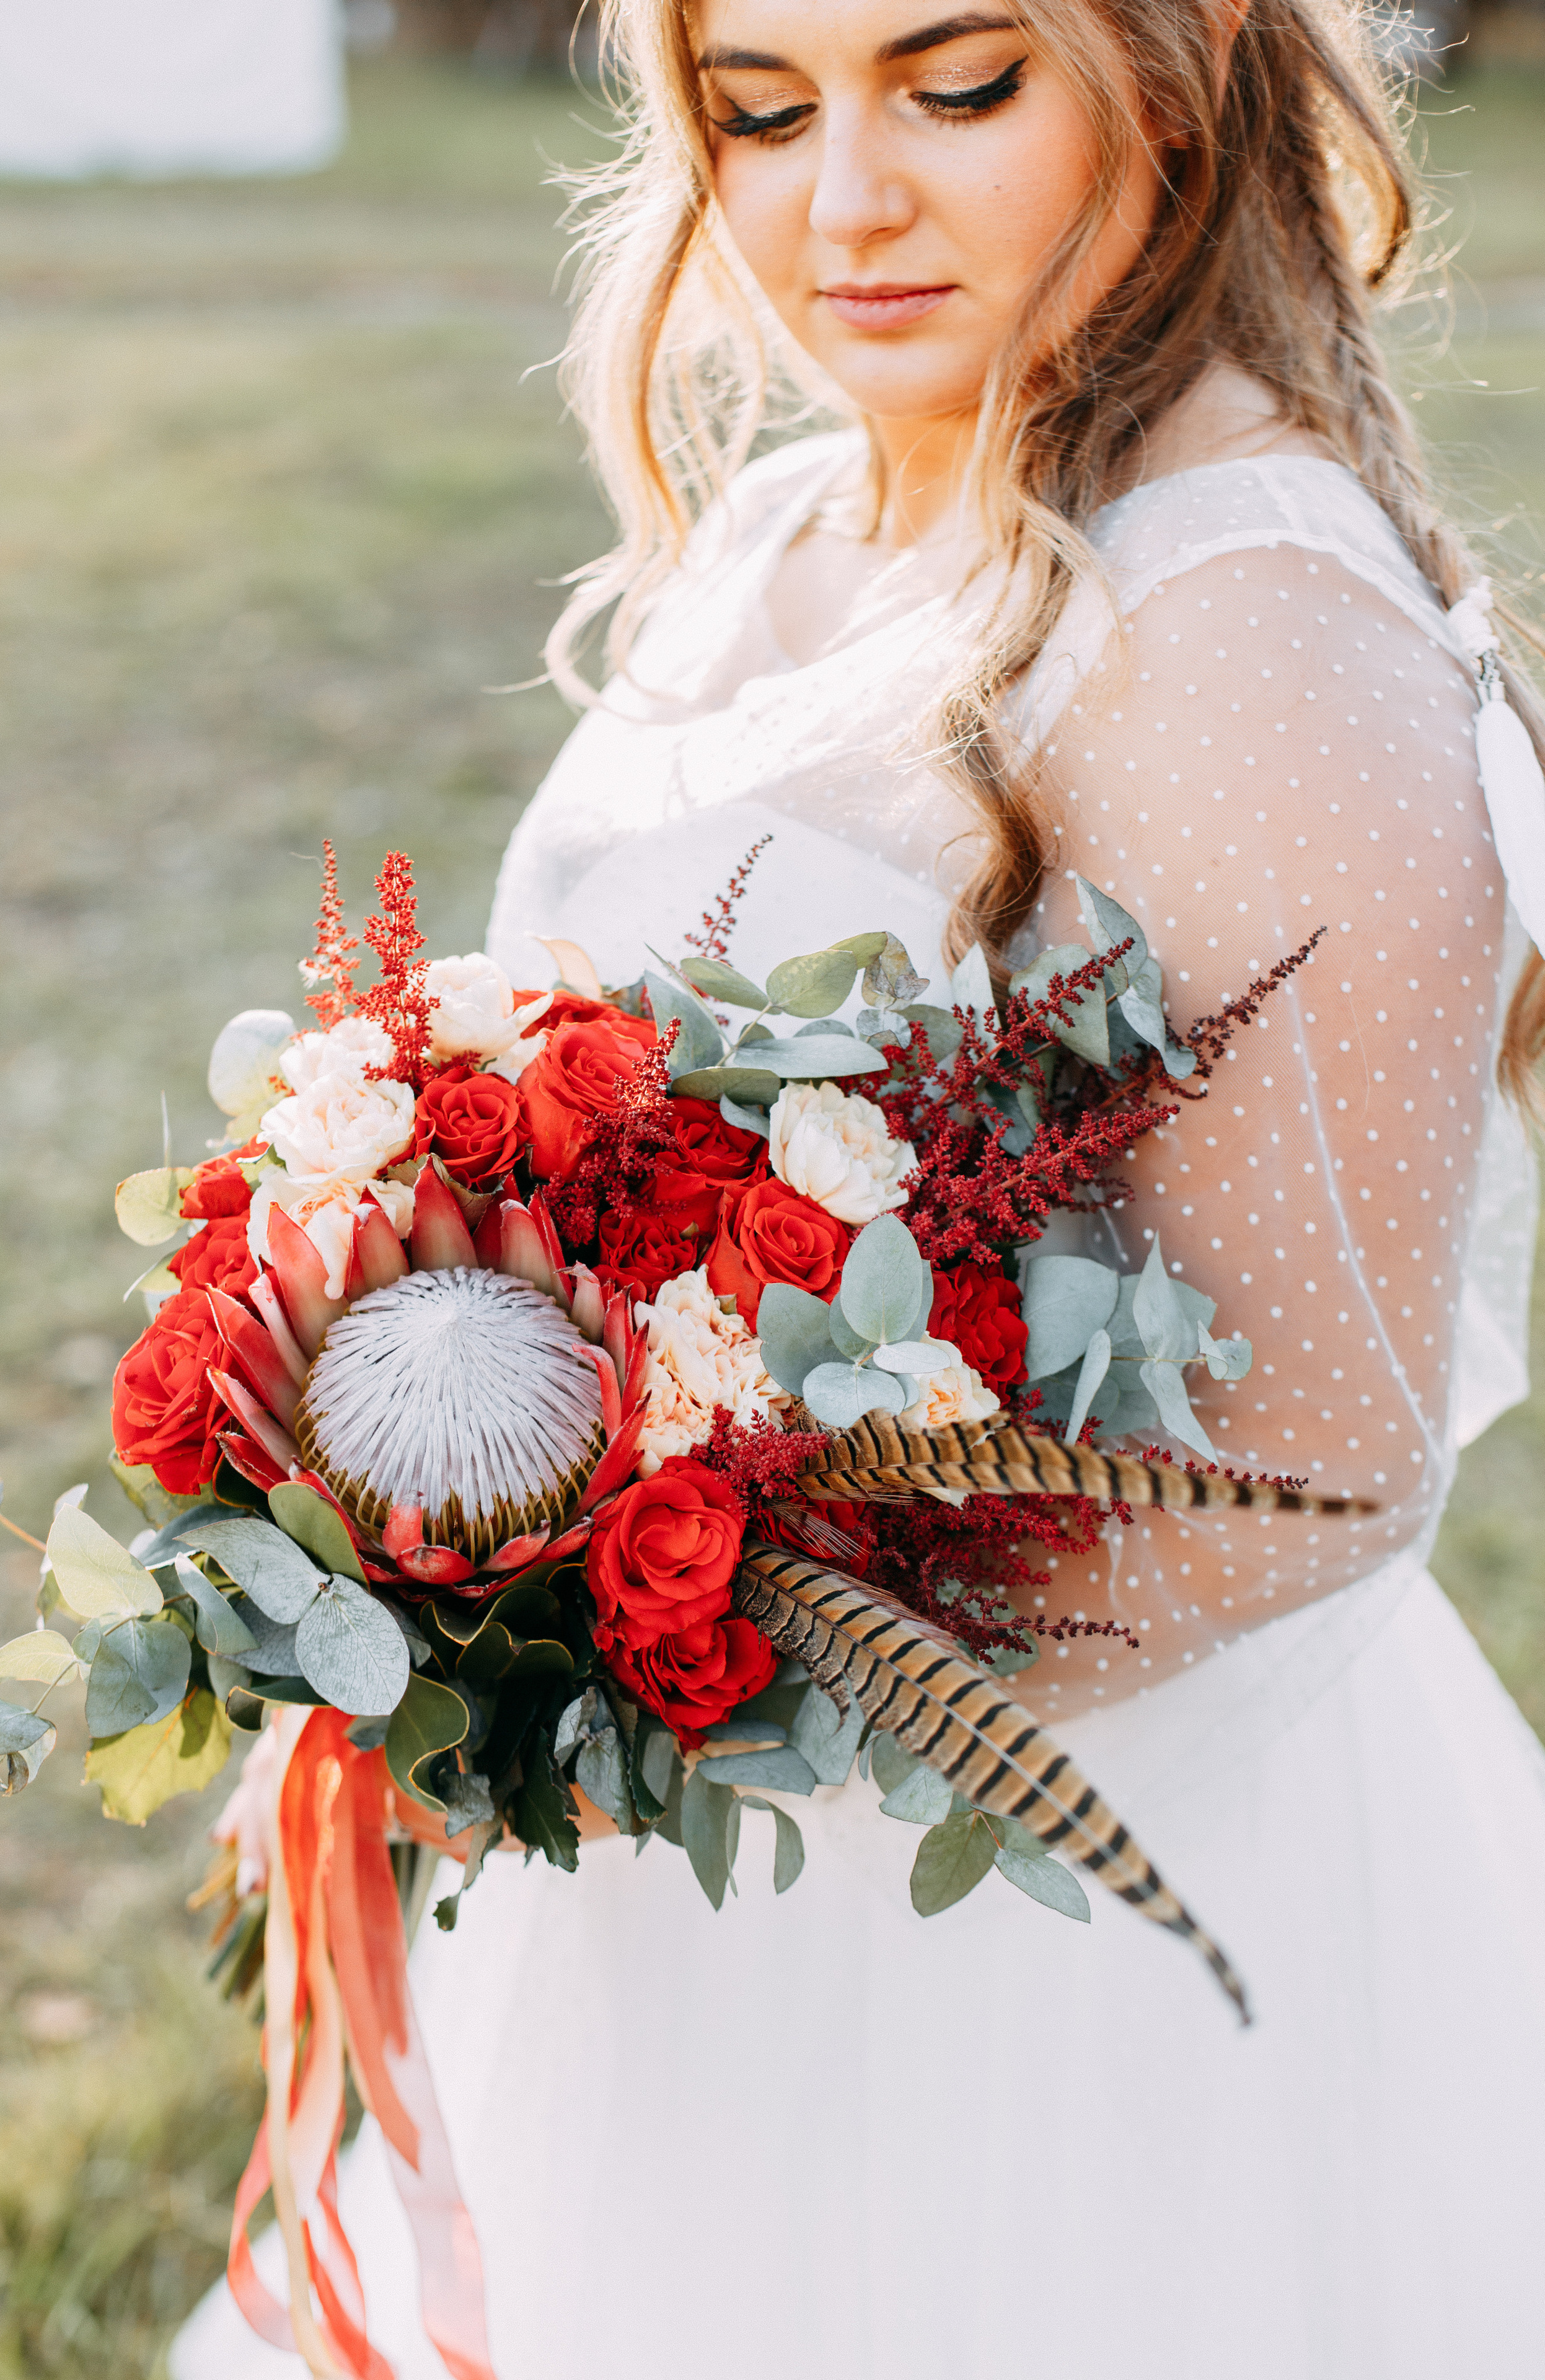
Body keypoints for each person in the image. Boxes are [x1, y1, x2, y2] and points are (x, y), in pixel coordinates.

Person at [171, 1, 1545, 2374]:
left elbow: (1320, 1467)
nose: (841, 207)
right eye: (761, 110)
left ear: (1182, 67)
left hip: (1055, 1954)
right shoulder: (825, 499)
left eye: (960, 83)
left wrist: (634, 1659)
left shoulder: (1250, 629)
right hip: (691, 1859)